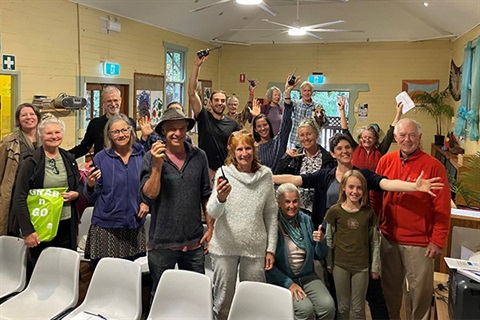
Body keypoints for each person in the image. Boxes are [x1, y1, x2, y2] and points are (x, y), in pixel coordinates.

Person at [273, 133, 443, 229]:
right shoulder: (324, 175)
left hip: (355, 233)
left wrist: (414, 186)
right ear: (332, 154)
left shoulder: (363, 175)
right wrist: (267, 177)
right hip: (326, 231)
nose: (344, 151)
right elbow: (296, 179)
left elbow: (387, 184)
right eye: (339, 149)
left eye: (347, 147)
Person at [372, 118, 451, 320]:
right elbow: (376, 196)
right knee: (390, 291)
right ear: (396, 138)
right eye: (403, 135)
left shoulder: (434, 166)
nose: (407, 139)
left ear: (419, 137)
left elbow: (442, 208)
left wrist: (437, 240)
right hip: (389, 239)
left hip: (420, 244)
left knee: (420, 296)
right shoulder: (385, 161)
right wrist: (376, 225)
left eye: (412, 135)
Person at [139, 107, 213, 297]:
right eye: (172, 128)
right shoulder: (150, 157)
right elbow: (149, 196)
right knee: (162, 295)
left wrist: (211, 229)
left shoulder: (199, 156)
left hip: (193, 242)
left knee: (196, 294)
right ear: (163, 130)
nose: (177, 133)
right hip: (162, 243)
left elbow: (206, 195)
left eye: (182, 128)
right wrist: (157, 165)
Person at [207, 129, 278, 320]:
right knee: (223, 300)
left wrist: (271, 249)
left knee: (254, 298)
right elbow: (212, 211)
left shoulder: (265, 175)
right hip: (224, 246)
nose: (244, 153)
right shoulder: (224, 173)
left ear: (254, 150)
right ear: (232, 151)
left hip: (255, 247)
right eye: (239, 149)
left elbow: (271, 214)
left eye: (248, 148)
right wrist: (220, 199)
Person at [11, 115, 81, 265]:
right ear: (41, 136)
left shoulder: (69, 158)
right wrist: (28, 231)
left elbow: (78, 185)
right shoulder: (31, 162)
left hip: (66, 223)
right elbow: (19, 197)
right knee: (40, 266)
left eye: (57, 132)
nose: (54, 136)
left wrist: (77, 194)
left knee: (64, 265)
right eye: (49, 133)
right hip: (40, 224)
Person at [84, 113, 147, 266]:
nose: (121, 135)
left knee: (129, 275)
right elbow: (91, 197)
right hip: (106, 225)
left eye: (124, 130)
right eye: (116, 132)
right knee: (104, 274)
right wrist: (91, 184)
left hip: (133, 224)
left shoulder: (142, 154)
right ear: (109, 135)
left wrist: (146, 202)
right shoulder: (100, 158)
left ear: (131, 131)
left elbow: (149, 184)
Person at [267, 183, 335, 320]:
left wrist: (321, 241)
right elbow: (266, 265)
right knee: (305, 310)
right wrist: (288, 284)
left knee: (328, 307)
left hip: (307, 275)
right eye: (287, 202)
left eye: (295, 201)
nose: (292, 206)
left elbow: (318, 255)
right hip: (283, 278)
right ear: (279, 203)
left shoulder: (306, 219)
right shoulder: (271, 222)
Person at [325, 170, 380, 319]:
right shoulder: (335, 211)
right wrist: (329, 263)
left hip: (361, 267)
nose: (355, 191)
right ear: (343, 187)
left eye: (359, 188)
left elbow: (374, 241)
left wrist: (375, 266)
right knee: (342, 306)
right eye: (351, 187)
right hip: (340, 265)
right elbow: (329, 238)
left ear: (364, 190)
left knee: (358, 308)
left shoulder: (368, 213)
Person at [188, 54, 241, 177]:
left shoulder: (232, 124)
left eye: (222, 101)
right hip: (205, 171)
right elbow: (191, 93)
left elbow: (242, 143)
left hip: (226, 172)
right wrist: (197, 66)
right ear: (211, 102)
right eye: (216, 100)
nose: (219, 103)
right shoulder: (203, 116)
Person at [275, 118, 336, 215]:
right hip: (296, 210)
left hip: (319, 210)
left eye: (309, 134)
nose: (306, 138)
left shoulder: (328, 158)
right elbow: (277, 175)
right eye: (302, 135)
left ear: (316, 134)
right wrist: (287, 158)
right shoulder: (295, 157)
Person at [0, 103, 41, 236]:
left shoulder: (46, 138)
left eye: (32, 114)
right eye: (24, 115)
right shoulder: (8, 142)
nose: (28, 117)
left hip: (40, 197)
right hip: (16, 196)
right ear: (18, 120)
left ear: (37, 117)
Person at [69, 86, 136, 158]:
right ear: (103, 102)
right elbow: (84, 147)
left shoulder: (130, 122)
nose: (113, 104)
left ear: (120, 100)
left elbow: (135, 146)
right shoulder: (95, 124)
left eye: (115, 100)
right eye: (109, 101)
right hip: (101, 166)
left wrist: (145, 137)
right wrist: (63, 156)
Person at [339, 98, 403, 171]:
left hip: (374, 181)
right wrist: (342, 111)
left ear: (375, 139)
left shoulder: (380, 151)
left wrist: (399, 113)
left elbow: (390, 133)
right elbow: (345, 131)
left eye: (370, 137)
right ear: (360, 138)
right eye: (365, 137)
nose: (367, 139)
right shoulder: (355, 149)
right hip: (356, 181)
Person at [250, 75, 294, 171]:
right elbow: (250, 137)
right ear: (256, 130)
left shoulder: (277, 143)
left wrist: (287, 93)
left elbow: (286, 124)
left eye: (265, 125)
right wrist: (254, 116)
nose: (263, 128)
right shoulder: (254, 147)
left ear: (269, 126)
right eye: (259, 126)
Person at [285, 80, 323, 148]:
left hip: (311, 141)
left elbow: (321, 124)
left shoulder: (317, 106)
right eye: (304, 91)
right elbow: (287, 105)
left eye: (309, 90)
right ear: (301, 92)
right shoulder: (296, 103)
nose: (307, 93)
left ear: (312, 92)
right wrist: (288, 91)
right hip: (297, 141)